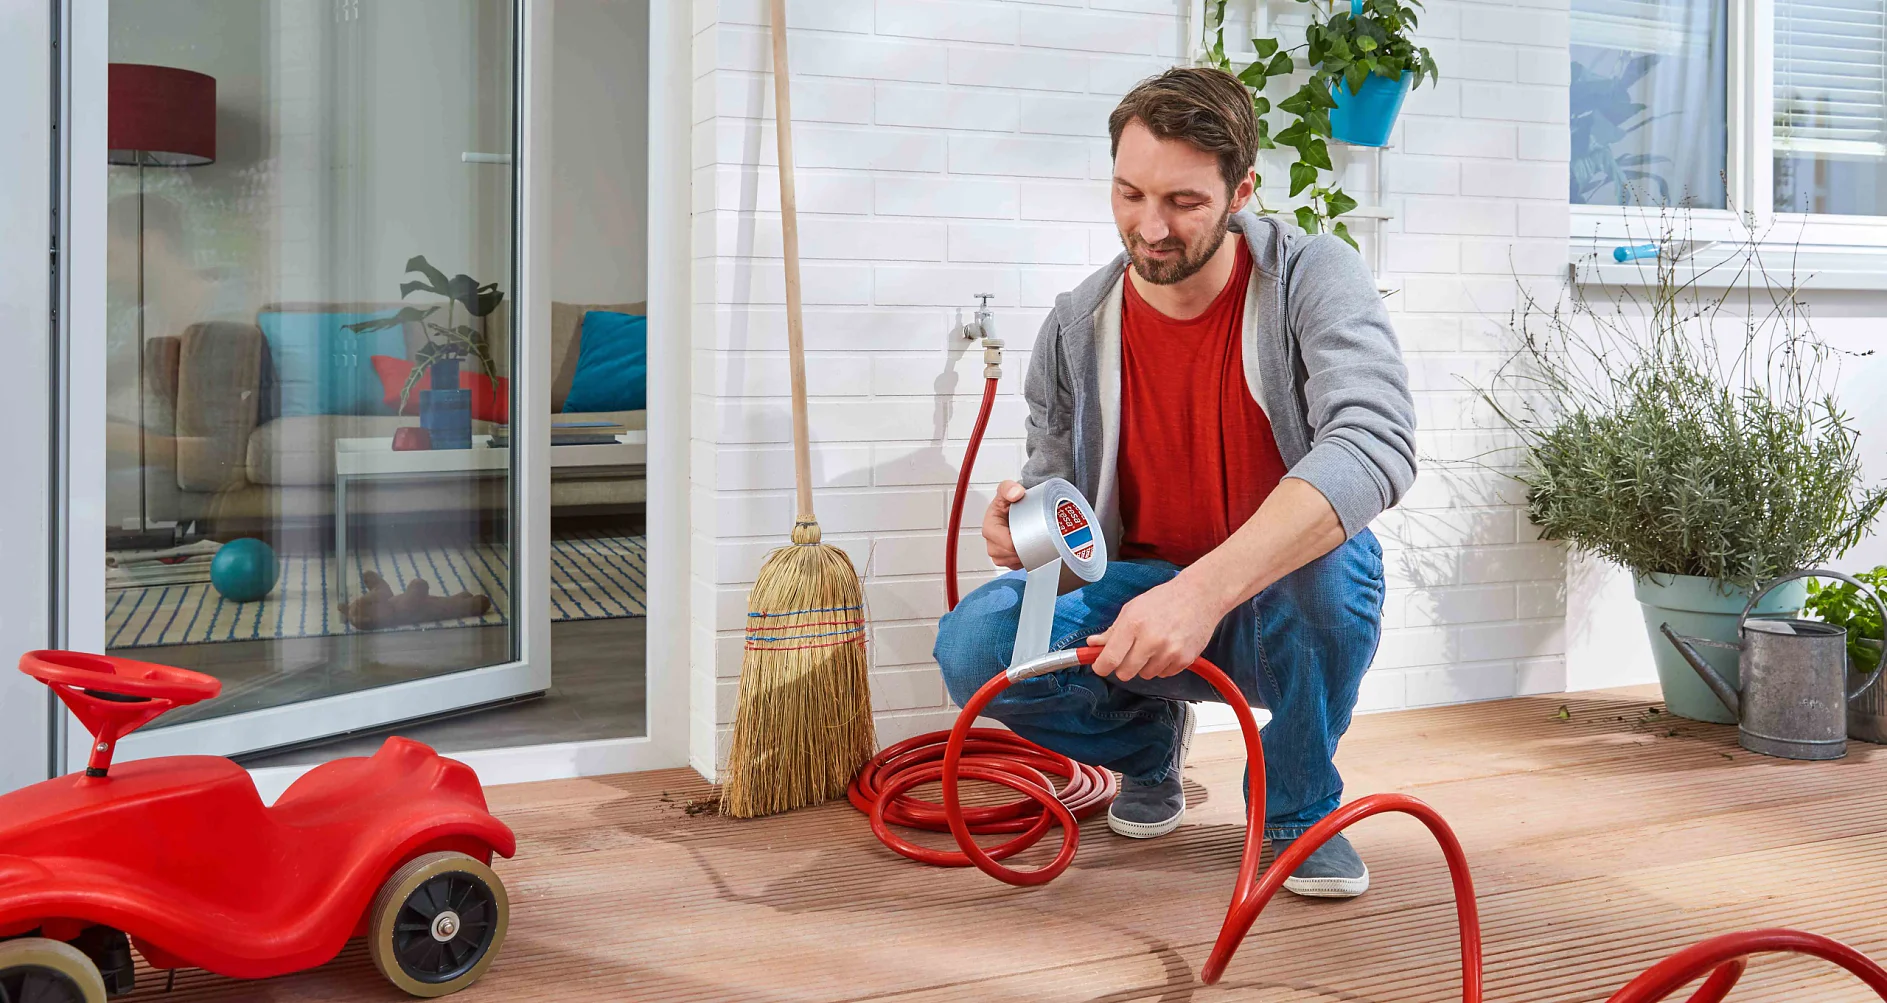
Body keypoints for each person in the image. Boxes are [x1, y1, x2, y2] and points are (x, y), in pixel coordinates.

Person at [932, 66, 1415, 899]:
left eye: (1183, 202)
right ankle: (1147, 744)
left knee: (1334, 564)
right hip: (1138, 606)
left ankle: (1297, 804)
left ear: (1240, 192)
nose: (1149, 227)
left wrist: (1200, 592)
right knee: (975, 645)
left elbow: (1374, 443)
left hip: (1276, 599)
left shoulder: (1311, 278)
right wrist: (1028, 533)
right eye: (1129, 195)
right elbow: (1060, 500)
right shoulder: (1075, 327)